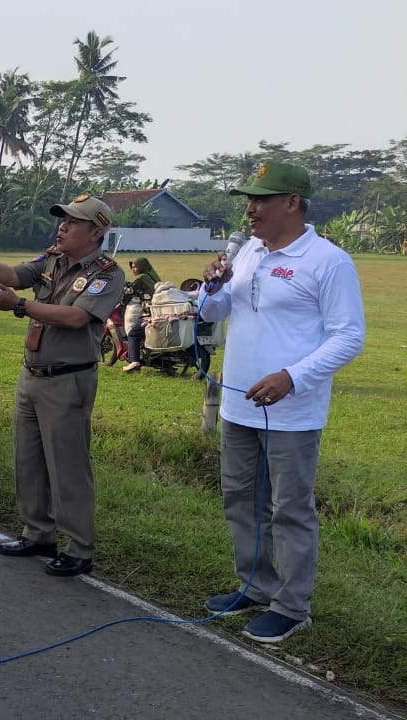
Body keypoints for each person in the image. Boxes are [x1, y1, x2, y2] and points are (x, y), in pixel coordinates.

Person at [199, 162, 364, 643]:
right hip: (238, 404)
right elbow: (214, 311)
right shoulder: (249, 251)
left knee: (289, 507)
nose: (250, 209)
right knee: (240, 499)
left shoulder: (327, 260)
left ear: (292, 202)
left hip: (291, 412)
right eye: (249, 200)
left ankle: (292, 606)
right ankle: (255, 586)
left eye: (261, 199)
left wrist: (292, 377)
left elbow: (349, 336)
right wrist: (211, 286)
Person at [0, 194, 125, 577]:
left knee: (67, 466)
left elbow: (75, 317)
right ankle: (38, 532)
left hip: (68, 380)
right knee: (28, 460)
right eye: (63, 220)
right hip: (32, 375)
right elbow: (15, 275)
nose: (63, 226)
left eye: (72, 222)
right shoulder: (53, 259)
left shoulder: (107, 274)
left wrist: (20, 306)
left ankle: (79, 547)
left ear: (96, 233)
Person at [121, 257, 160, 372]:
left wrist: (122, 300)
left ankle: (134, 361)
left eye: (136, 267)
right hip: (158, 310)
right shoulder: (153, 276)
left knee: (133, 334)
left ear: (142, 266)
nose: (134, 269)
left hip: (151, 313)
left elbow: (130, 291)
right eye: (132, 267)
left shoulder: (141, 278)